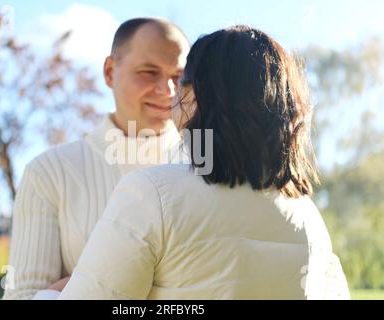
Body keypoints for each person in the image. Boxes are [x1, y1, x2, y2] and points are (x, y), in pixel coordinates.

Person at [56, 25, 350, 299]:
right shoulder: (309, 216)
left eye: (179, 81)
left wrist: (52, 292)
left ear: (195, 95)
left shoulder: (152, 194)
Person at [2, 18, 190, 300]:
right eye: (149, 72)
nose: (168, 91)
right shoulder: (49, 173)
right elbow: (23, 297)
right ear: (110, 71)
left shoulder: (209, 168)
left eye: (179, 77)